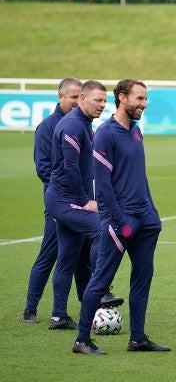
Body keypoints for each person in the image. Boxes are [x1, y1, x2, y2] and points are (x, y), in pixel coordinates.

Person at [73, 79, 169, 355]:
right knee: (101, 279)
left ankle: (137, 338)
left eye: (145, 99)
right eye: (139, 99)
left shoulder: (136, 131)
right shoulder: (105, 133)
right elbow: (101, 184)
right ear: (122, 98)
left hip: (145, 218)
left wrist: (152, 212)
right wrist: (119, 220)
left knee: (143, 277)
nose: (144, 104)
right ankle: (81, 340)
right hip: (121, 221)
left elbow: (139, 175)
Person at [44, 80, 123, 331]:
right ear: (82, 100)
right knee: (103, 231)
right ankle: (100, 289)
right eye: (97, 100)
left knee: (66, 258)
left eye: (104, 101)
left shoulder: (84, 124)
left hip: (64, 200)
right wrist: (83, 201)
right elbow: (69, 168)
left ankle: (59, 316)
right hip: (65, 201)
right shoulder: (73, 126)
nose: (103, 105)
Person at [22, 77, 85, 323]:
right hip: (58, 202)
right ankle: (30, 309)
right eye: (72, 97)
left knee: (81, 255)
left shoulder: (82, 125)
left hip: (80, 201)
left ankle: (86, 307)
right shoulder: (48, 127)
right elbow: (43, 169)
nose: (76, 101)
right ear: (60, 97)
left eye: (80, 97)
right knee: (50, 253)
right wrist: (64, 194)